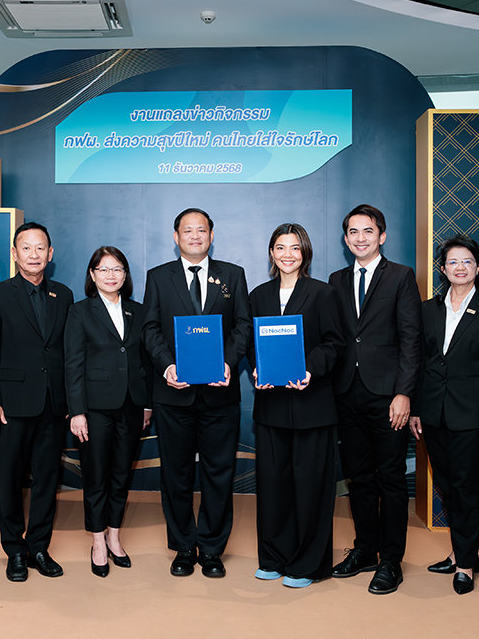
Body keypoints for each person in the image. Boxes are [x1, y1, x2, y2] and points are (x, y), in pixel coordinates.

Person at [141, 207, 252, 578]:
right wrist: (166, 366)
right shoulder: (159, 277)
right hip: (174, 395)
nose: (194, 236)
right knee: (176, 475)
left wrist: (229, 362)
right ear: (176, 237)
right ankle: (184, 546)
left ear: (211, 235)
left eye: (201, 230)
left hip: (220, 396)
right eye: (187, 230)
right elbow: (150, 329)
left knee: (219, 474)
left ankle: (212, 549)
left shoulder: (232, 275)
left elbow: (243, 326)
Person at [409, 234, 479, 595]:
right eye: (453, 262)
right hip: (433, 414)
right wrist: (416, 409)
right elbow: (421, 363)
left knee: (466, 489)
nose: (460, 267)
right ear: (443, 269)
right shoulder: (429, 309)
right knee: (448, 488)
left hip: (473, 418)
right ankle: (461, 551)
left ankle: (466, 565)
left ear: (478, 267)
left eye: (467, 261)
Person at [328, 203, 422, 595]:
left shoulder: (400, 276)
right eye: (353, 231)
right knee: (360, 478)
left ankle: (391, 560)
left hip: (388, 397)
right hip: (346, 394)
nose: (360, 238)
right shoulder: (335, 280)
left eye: (368, 231)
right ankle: (365, 549)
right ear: (346, 238)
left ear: (382, 236)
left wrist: (404, 393)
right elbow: (335, 338)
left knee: (391, 479)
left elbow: (411, 339)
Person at [248, 223, 344, 588]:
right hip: (271, 405)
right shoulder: (259, 295)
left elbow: (334, 343)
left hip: (312, 404)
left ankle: (307, 564)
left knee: (311, 487)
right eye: (280, 248)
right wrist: (256, 366)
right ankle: (273, 556)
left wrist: (309, 370)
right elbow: (251, 343)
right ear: (271, 253)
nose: (287, 255)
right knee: (273, 485)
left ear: (305, 253)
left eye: (295, 248)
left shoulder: (323, 294)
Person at [0, 222, 74, 582]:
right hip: (11, 404)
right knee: (10, 479)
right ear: (15, 253)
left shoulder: (63, 295)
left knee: (47, 479)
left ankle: (39, 548)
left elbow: (67, 351)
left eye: (40, 248)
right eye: (26, 248)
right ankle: (15, 551)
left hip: (53, 404)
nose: (34, 255)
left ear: (50, 254)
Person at [64, 246, 152, 578]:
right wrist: (77, 411)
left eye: (117, 269)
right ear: (92, 274)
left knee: (120, 474)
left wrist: (147, 404)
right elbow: (72, 364)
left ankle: (114, 536)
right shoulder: (79, 312)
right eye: (103, 269)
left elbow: (145, 361)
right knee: (96, 476)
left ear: (125, 275)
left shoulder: (138, 311)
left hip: (132, 405)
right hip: (94, 409)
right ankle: (97, 541)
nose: (110, 275)